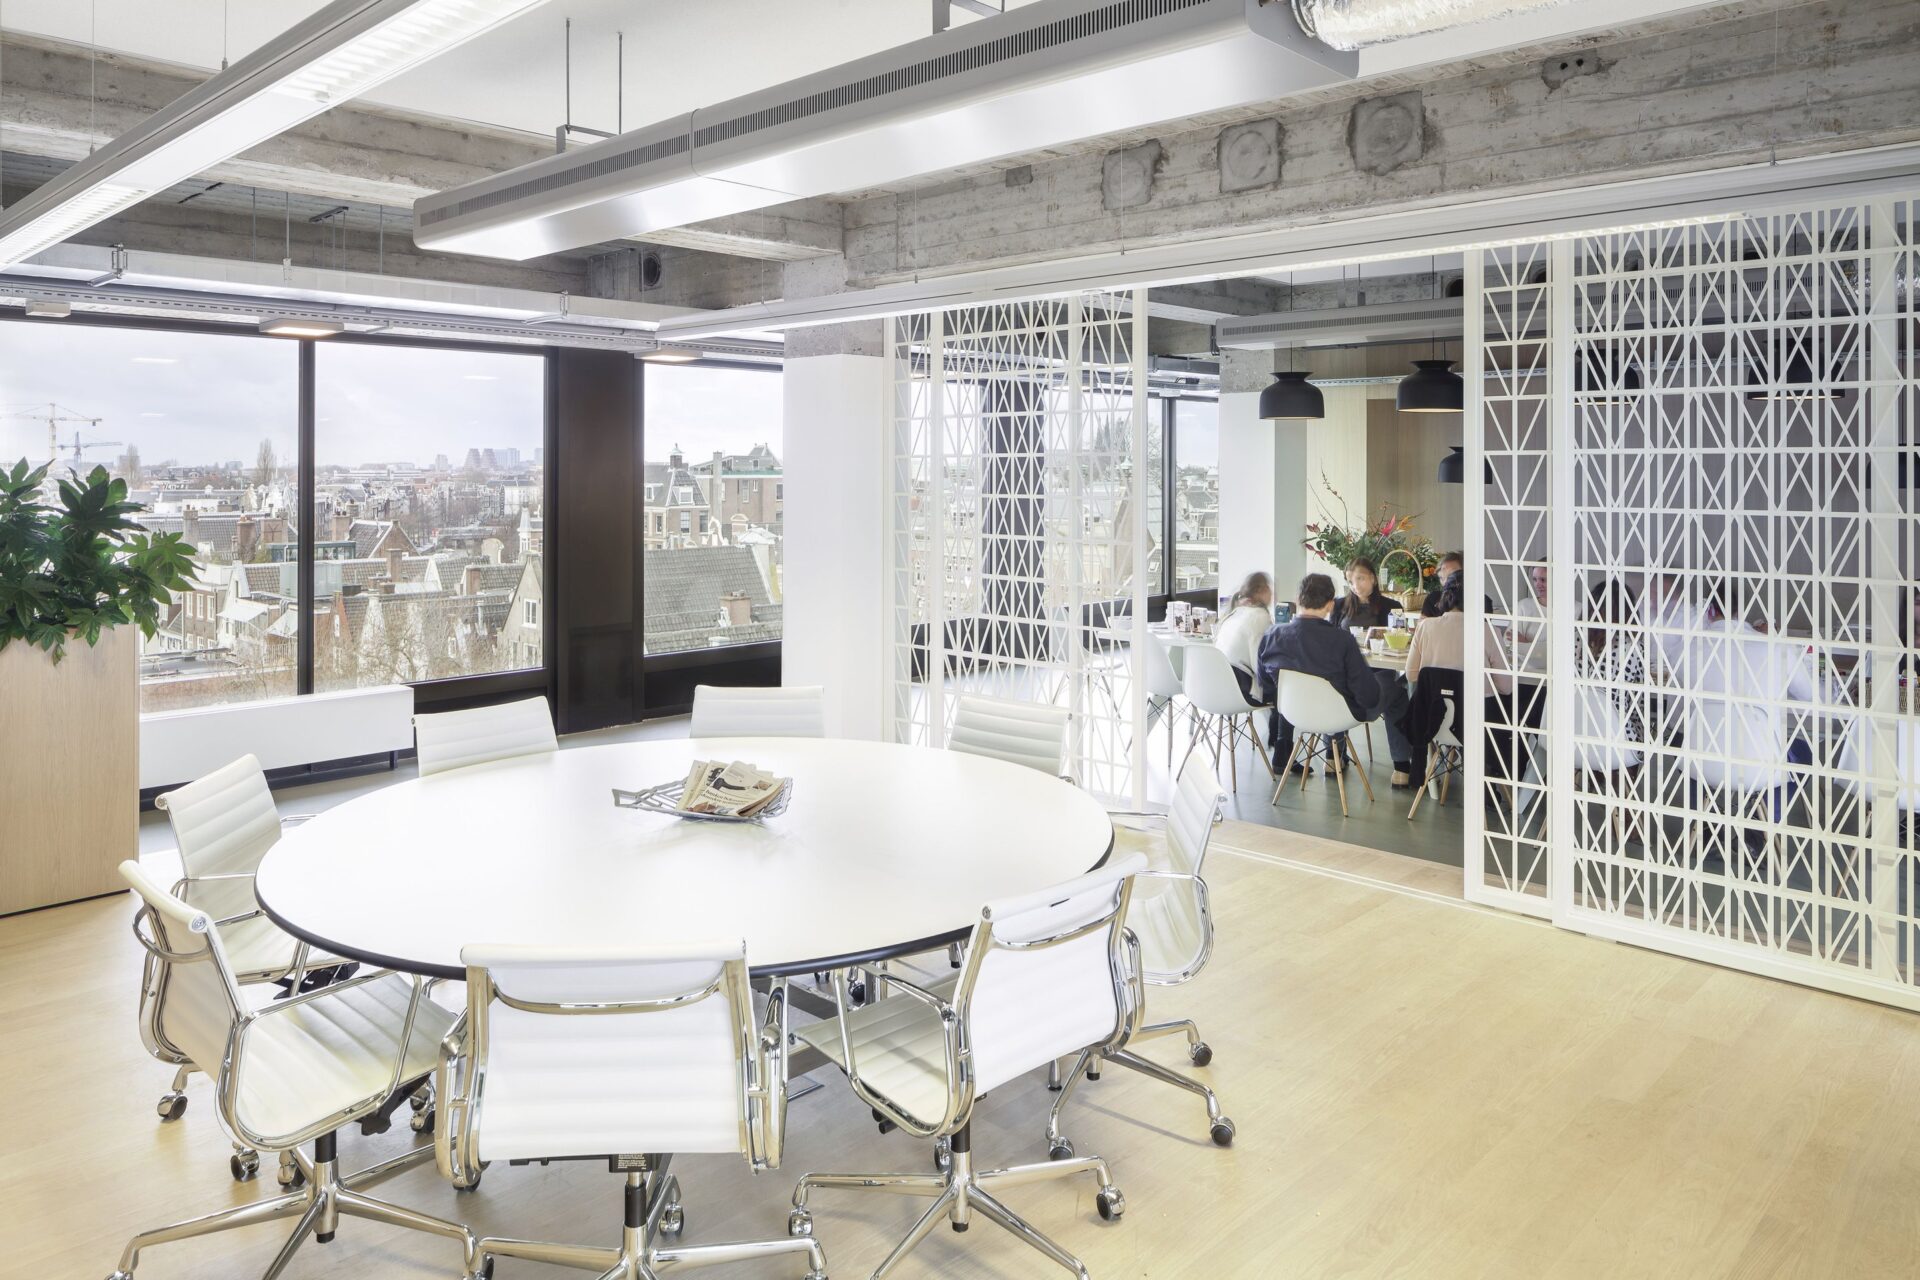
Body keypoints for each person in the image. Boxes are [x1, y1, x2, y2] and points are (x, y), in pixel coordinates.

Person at [1257, 572, 1407, 777]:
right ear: (1330, 604)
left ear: (1298, 600)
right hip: (1338, 715)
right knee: (1396, 689)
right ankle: (1402, 769)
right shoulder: (1342, 641)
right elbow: (1368, 697)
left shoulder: (1271, 635)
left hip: (1293, 712)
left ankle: (1332, 758)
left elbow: (1266, 685)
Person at [1213, 570, 1274, 703]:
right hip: (1241, 689)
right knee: (1282, 694)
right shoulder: (1260, 616)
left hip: (1217, 685)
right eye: (1269, 587)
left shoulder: (1235, 612)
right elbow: (1259, 661)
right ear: (1261, 591)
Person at [1334, 557, 1400, 631]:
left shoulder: (1393, 607)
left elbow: (1399, 638)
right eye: (1351, 582)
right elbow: (1330, 638)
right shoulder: (1338, 605)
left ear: (1373, 578)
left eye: (1360, 579)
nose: (1356, 586)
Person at [1421, 551, 1465, 618]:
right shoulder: (1433, 599)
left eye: (1451, 576)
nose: (1446, 582)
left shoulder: (1479, 600)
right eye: (1441, 578)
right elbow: (1421, 626)